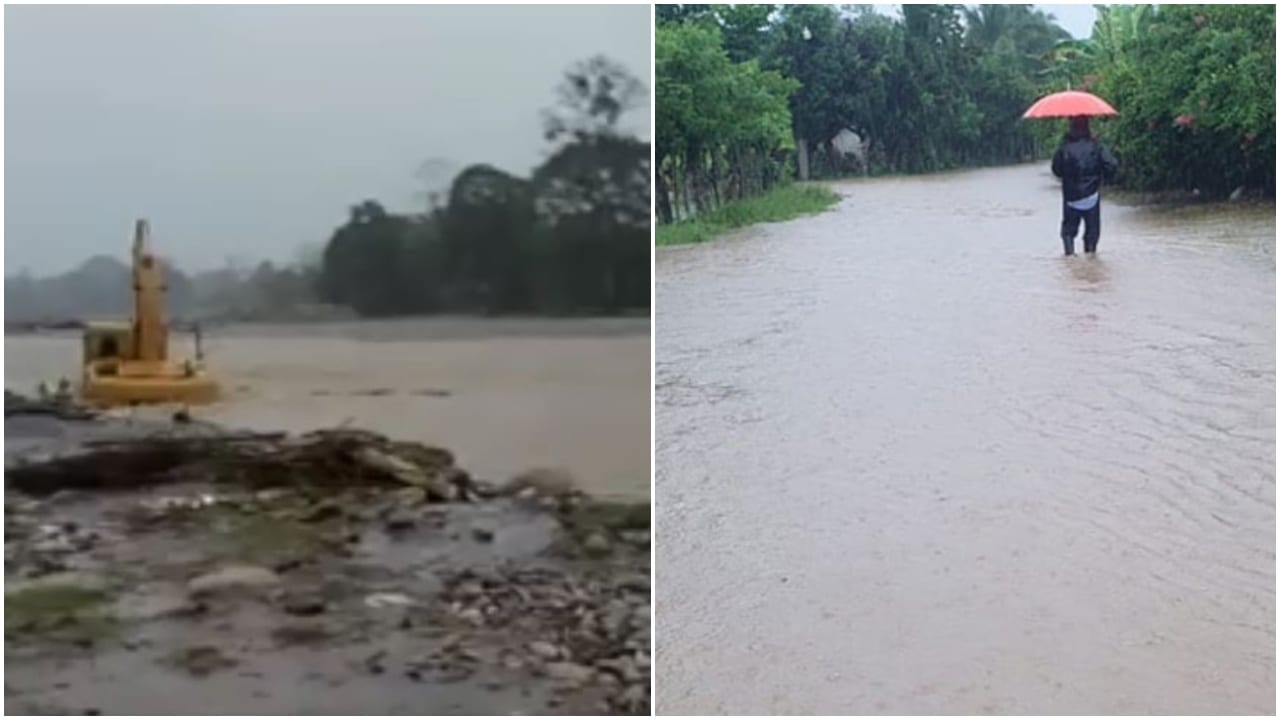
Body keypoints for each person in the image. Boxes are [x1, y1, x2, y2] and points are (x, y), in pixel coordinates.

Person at [1051, 115, 1118, 256]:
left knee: (1068, 232)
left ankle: (1070, 259)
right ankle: (1091, 260)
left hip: (1071, 198)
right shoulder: (1096, 145)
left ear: (1071, 126)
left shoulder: (1064, 147)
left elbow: (1056, 170)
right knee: (1092, 234)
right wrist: (1104, 179)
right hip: (1091, 196)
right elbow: (1111, 165)